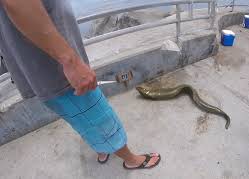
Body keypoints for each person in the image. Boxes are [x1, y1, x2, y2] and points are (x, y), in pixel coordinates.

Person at [0, 0, 161, 169]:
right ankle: (131, 160)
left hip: (38, 64)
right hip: (54, 65)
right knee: (100, 117)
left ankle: (101, 149)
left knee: (78, 117)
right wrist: (70, 62)